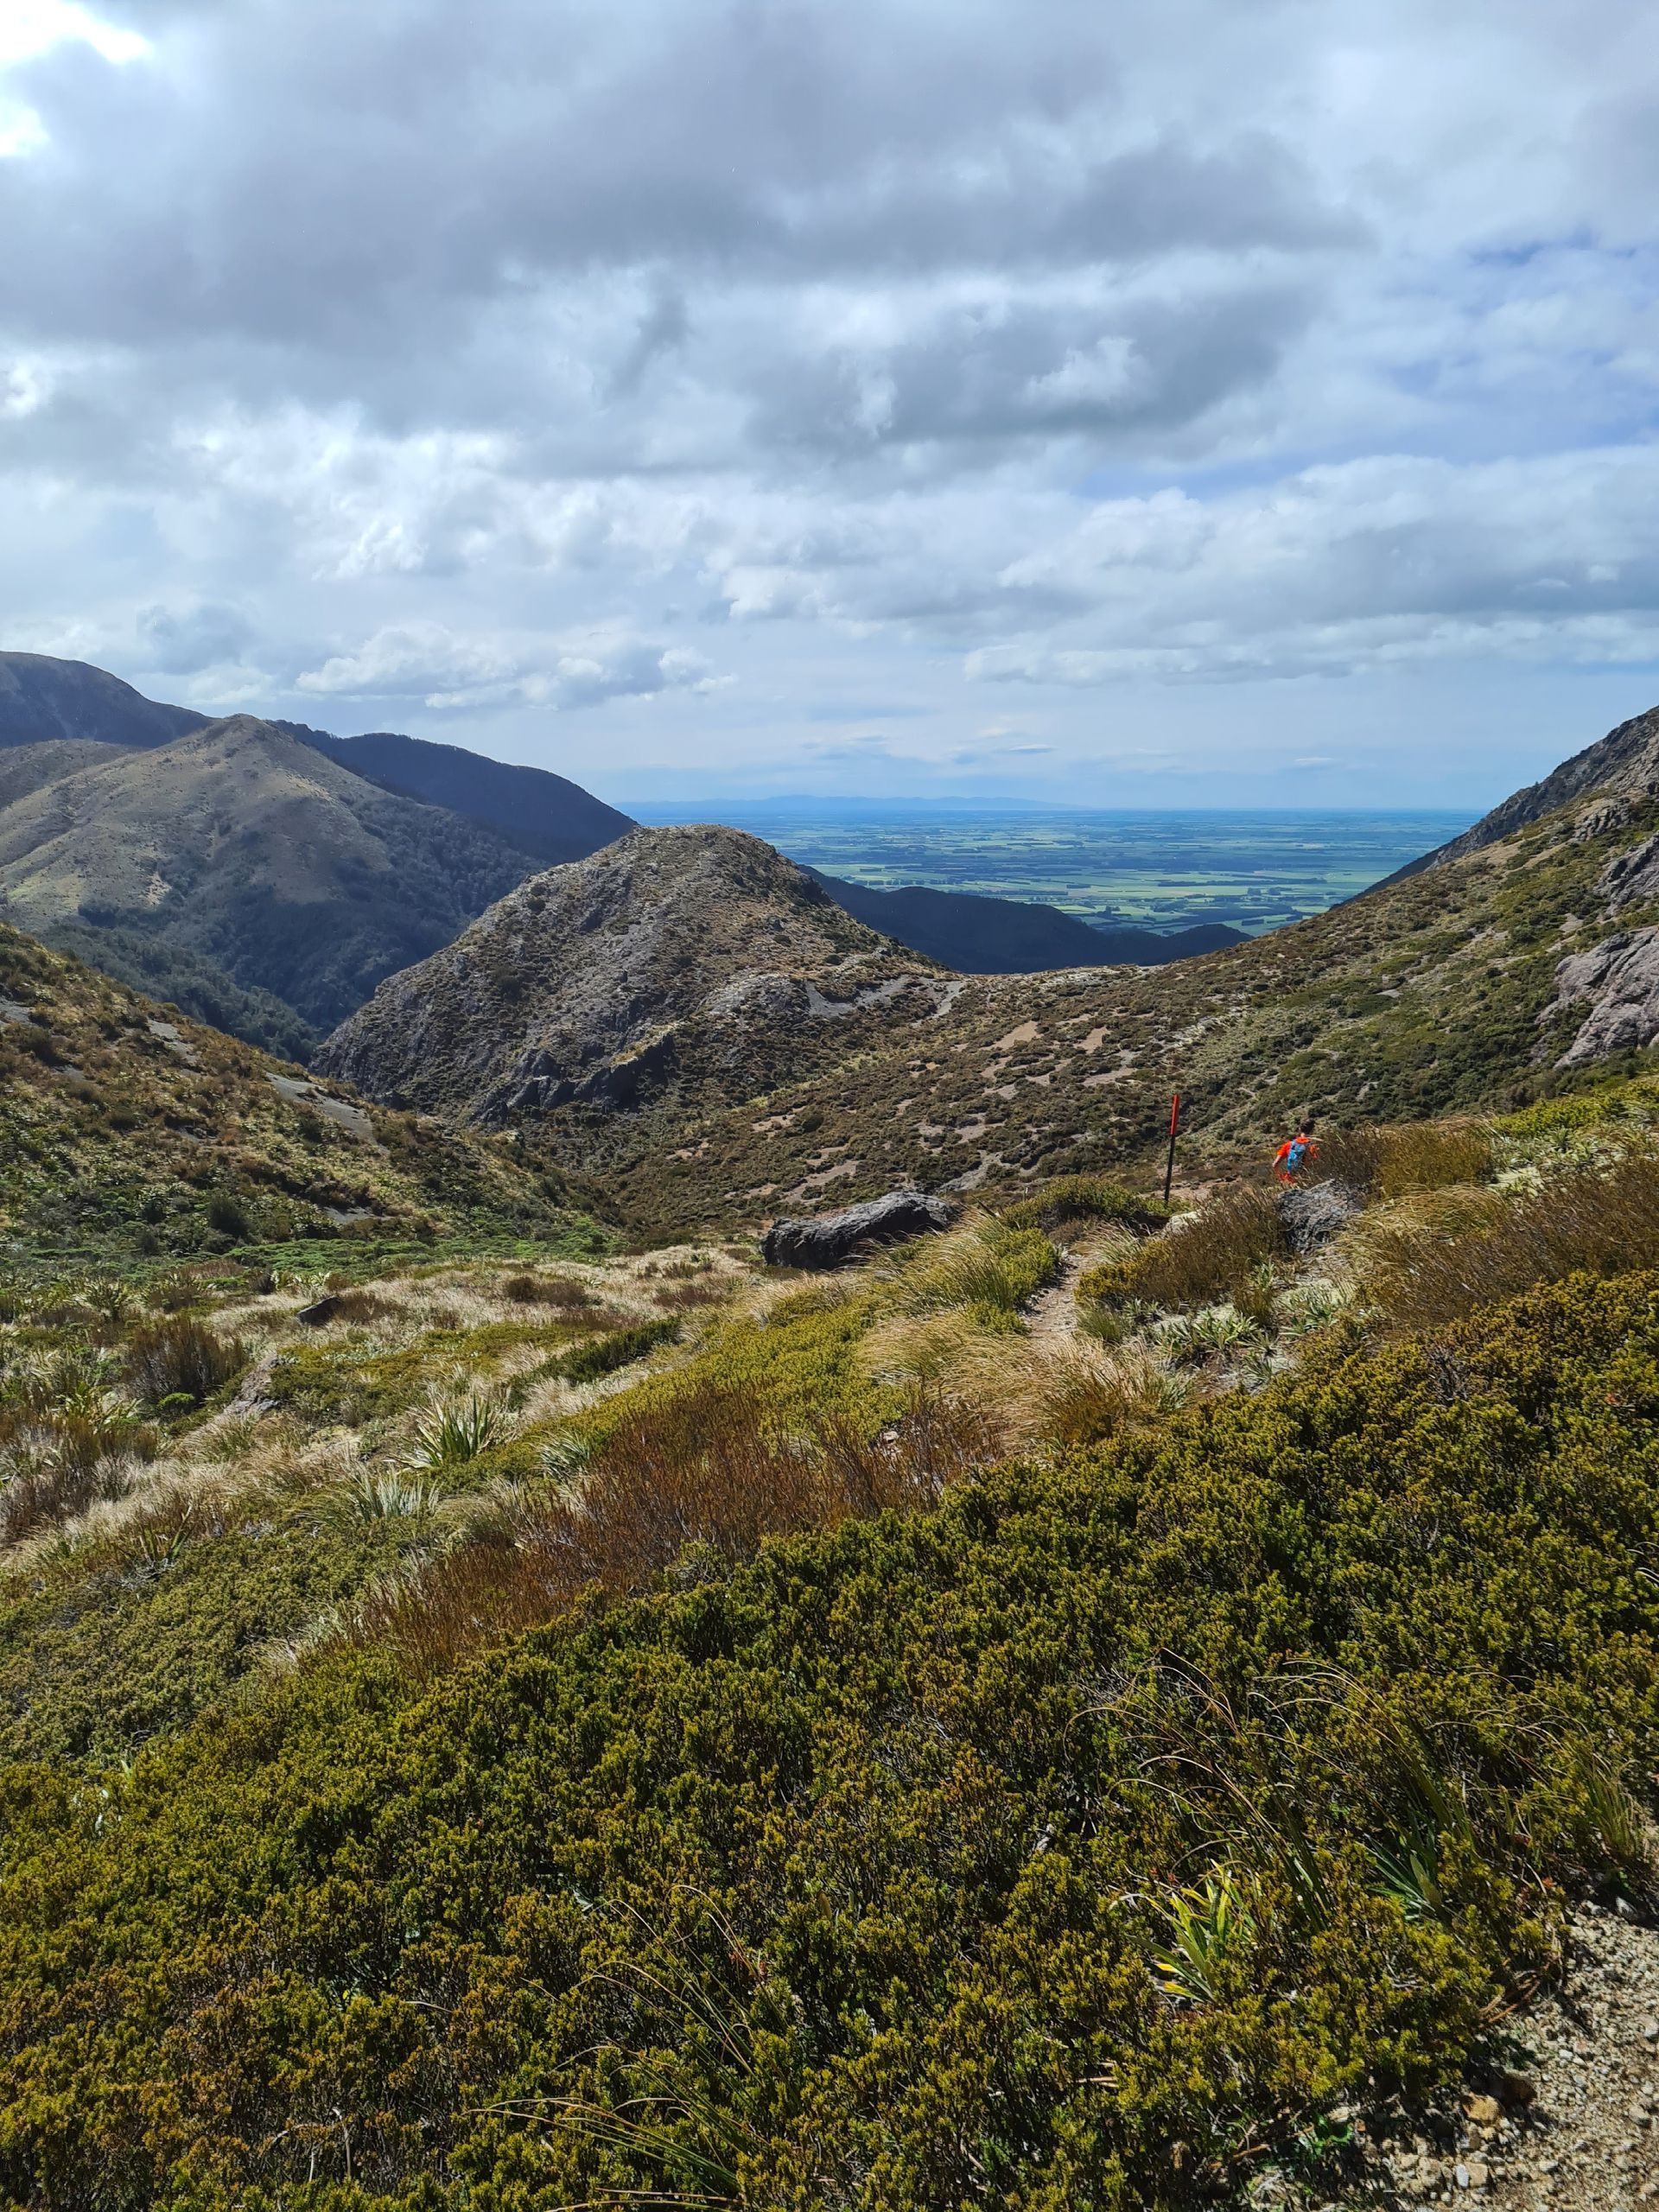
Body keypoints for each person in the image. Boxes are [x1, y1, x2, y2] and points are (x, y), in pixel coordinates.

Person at [1274, 1117, 1318, 1181]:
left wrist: (1281, 1178)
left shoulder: (1288, 1145)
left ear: (1300, 1129)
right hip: (1308, 1180)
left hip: (1290, 1181)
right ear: (1312, 1130)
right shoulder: (1313, 1146)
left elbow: (1275, 1164)